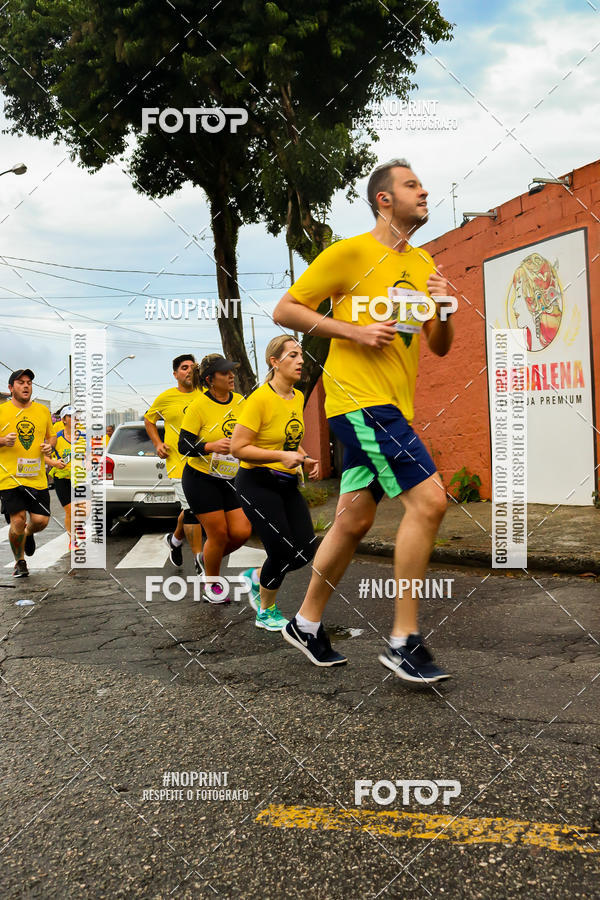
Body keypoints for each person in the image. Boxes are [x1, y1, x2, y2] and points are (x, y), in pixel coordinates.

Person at [273, 158, 455, 681]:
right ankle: (403, 640)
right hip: (359, 403)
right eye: (412, 185)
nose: (424, 191)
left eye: (423, 183)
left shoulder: (423, 265)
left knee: (353, 520)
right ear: (384, 200)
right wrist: (351, 331)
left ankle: (306, 623)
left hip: (393, 406)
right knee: (430, 499)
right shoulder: (350, 253)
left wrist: (444, 308)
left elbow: (439, 348)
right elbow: (286, 310)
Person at [231, 336, 326, 638]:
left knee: (306, 549)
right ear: (274, 362)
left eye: (301, 355)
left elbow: (289, 441)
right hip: (256, 482)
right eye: (293, 355)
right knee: (282, 550)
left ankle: (256, 576)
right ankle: (266, 611)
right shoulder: (258, 400)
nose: (300, 361)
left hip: (286, 483)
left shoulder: (297, 397)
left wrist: (305, 458)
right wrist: (280, 456)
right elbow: (237, 448)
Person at [178, 354, 251, 604]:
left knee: (242, 532)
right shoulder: (199, 405)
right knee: (218, 534)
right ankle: (212, 583)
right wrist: (210, 445)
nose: (231, 376)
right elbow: (183, 445)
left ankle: (205, 560)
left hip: (229, 477)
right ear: (210, 379)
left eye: (232, 371)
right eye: (225, 373)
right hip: (200, 478)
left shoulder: (241, 402)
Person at [144, 354, 203, 569]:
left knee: (192, 508)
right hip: (178, 463)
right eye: (184, 367)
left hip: (203, 463)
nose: (189, 371)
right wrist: (158, 444)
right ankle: (200, 561)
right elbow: (149, 420)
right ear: (175, 374)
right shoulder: (166, 398)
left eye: (193, 367)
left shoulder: (205, 394)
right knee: (193, 510)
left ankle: (175, 540)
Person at [0, 369, 56, 577]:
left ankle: (28, 533)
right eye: (21, 382)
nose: (26, 386)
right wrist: (3, 441)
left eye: (29, 383)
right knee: (17, 520)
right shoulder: (2, 411)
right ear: (10, 388)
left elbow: (52, 437)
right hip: (9, 477)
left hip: (36, 477)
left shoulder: (41, 411)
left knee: (41, 521)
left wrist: (49, 447)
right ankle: (19, 562)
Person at [43, 406, 85, 550]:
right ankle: (72, 541)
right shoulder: (56, 437)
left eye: (76, 416)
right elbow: (44, 457)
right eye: (70, 416)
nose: (75, 419)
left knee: (85, 511)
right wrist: (55, 463)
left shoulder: (84, 437)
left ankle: (78, 525)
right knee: (70, 510)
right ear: (64, 420)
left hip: (80, 478)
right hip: (62, 478)